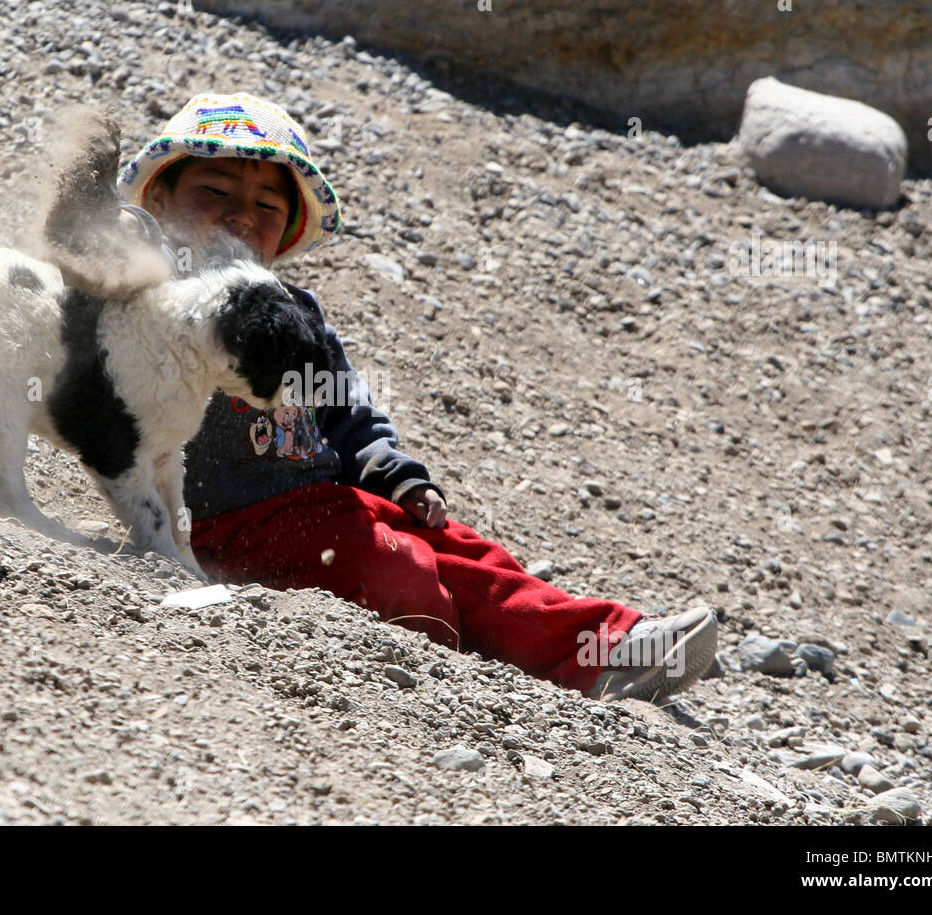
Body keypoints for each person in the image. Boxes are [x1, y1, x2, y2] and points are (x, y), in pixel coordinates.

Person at [114, 91, 717, 701]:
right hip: (228, 529)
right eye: (214, 192)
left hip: (329, 502)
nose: (241, 215)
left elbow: (346, 414)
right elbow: (96, 317)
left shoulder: (296, 315)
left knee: (467, 552)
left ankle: (609, 648)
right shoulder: (153, 287)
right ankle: (474, 665)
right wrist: (124, 243)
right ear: (160, 199)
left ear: (289, 230)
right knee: (399, 570)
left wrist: (397, 477)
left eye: (267, 203)